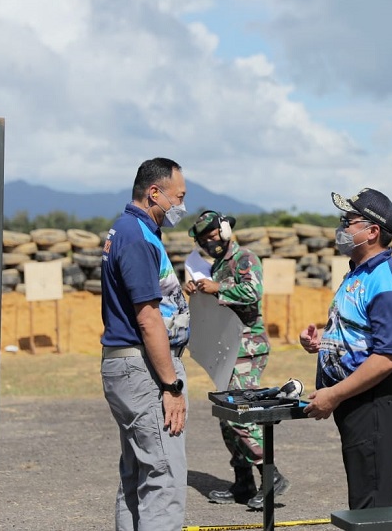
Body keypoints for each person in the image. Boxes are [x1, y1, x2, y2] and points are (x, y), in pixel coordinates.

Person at [299, 187, 392, 509]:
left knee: (370, 506)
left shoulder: (384, 281)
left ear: (372, 231)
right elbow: (361, 335)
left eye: (349, 221)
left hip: (372, 404)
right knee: (384, 496)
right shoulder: (358, 273)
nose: (342, 229)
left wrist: (334, 395)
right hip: (358, 401)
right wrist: (323, 341)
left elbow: (389, 356)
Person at [100, 157, 190, 530]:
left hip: (129, 365)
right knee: (163, 481)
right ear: (154, 192)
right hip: (144, 370)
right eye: (178, 197)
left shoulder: (129, 230)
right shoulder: (136, 237)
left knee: (137, 475)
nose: (181, 207)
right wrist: (170, 385)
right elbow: (147, 317)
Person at [185, 210, 290, 510]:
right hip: (228, 346)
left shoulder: (245, 258)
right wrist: (198, 290)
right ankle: (243, 481)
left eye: (214, 235)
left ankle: (271, 476)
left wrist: (217, 288)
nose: (210, 242)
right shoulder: (216, 265)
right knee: (225, 413)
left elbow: (252, 291)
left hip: (249, 345)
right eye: (205, 239)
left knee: (239, 412)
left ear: (226, 230)